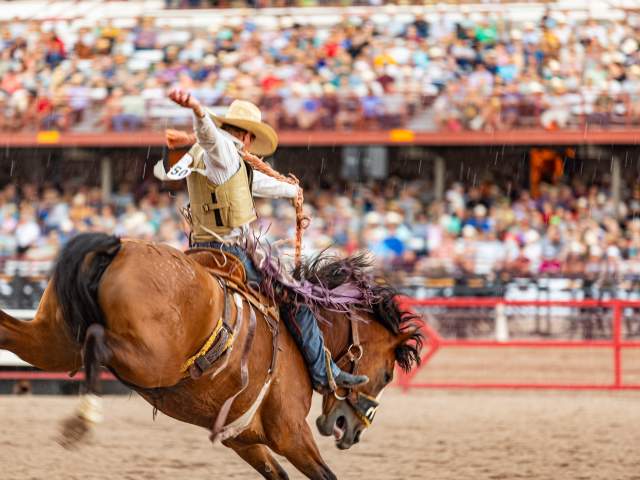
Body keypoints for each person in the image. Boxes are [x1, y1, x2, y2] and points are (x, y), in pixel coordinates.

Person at [154, 89, 368, 392]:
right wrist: (198, 110)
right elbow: (210, 137)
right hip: (229, 252)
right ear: (247, 136)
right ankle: (324, 373)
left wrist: (292, 192)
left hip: (199, 247)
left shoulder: (215, 160)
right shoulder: (224, 152)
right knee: (296, 302)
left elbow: (252, 181)